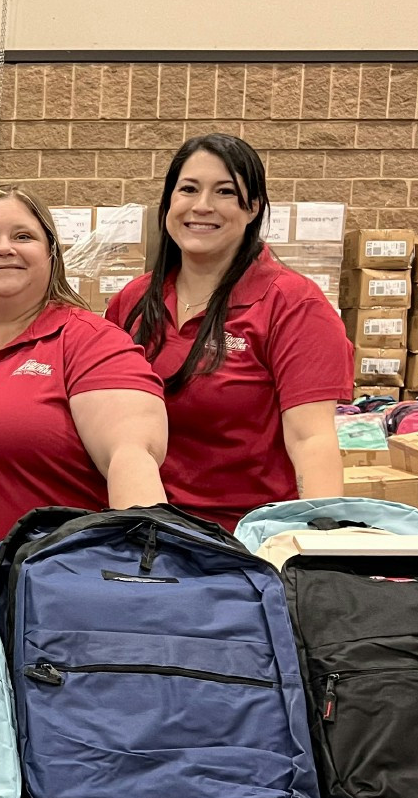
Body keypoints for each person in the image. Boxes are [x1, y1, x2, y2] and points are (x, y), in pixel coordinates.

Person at [0, 184, 168, 543]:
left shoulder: (90, 342)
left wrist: (144, 572)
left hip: (36, 585)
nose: (4, 248)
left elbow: (131, 457)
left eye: (23, 236)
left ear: (51, 253)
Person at [106, 133, 353, 530]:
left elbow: (311, 440)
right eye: (188, 189)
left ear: (253, 207)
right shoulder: (133, 301)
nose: (201, 206)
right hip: (144, 529)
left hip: (245, 538)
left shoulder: (292, 304)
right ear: (169, 202)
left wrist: (320, 545)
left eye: (224, 192)